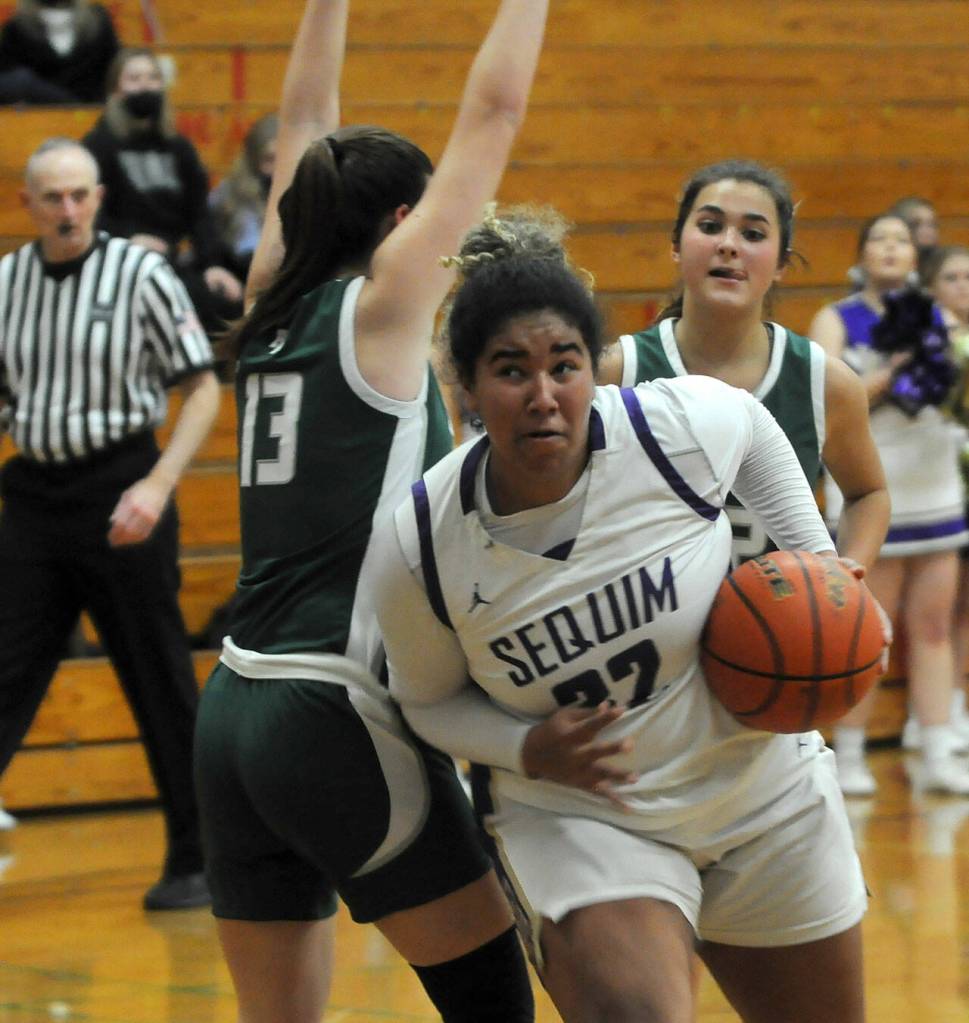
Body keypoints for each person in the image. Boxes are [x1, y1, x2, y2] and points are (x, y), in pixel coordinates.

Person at [374, 236, 883, 1023]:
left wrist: (818, 568)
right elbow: (425, 702)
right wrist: (523, 748)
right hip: (587, 816)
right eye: (511, 369)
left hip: (758, 786)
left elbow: (748, 425)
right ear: (469, 385)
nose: (542, 392)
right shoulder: (418, 542)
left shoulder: (673, 428)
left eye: (564, 365)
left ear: (593, 369)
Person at [191, 0, 547, 1020]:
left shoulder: (270, 297)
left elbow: (302, 123)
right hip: (330, 705)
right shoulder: (385, 310)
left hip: (233, 708)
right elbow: (494, 114)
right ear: (402, 229)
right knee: (495, 1009)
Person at [0, 137, 221, 909]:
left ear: (99, 197)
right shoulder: (6, 284)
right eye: (52, 198)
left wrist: (158, 485)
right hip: (33, 495)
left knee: (157, 678)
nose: (68, 210)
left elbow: (201, 388)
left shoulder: (141, 275)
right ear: (26, 203)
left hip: (123, 486)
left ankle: (200, 858)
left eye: (80, 195)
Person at [598, 159, 887, 574]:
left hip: (779, 630)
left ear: (782, 263)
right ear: (676, 245)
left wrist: (846, 579)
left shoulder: (824, 382)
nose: (729, 244)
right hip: (653, 632)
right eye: (711, 226)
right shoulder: (617, 371)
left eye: (753, 234)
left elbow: (869, 492)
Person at [810, 214, 969, 796]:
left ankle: (937, 750)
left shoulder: (941, 318)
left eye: (902, 240)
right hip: (869, 488)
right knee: (866, 632)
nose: (892, 248)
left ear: (914, 257)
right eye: (879, 238)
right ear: (861, 254)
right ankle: (847, 754)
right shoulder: (835, 318)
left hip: (934, 486)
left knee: (931, 628)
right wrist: (894, 369)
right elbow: (830, 398)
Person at [82, 48, 244, 335]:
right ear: (115, 89)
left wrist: (212, 264)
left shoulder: (179, 148)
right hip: (116, 260)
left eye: (153, 78)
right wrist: (128, 237)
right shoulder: (98, 145)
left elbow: (199, 213)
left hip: (170, 261)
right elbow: (88, 214)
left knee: (223, 301)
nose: (145, 86)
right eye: (134, 79)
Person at [907, 244, 969, 753]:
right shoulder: (932, 336)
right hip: (943, 481)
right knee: (936, 611)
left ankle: (955, 708)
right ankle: (926, 718)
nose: (963, 286)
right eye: (952, 277)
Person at [0, 0, 118, 106]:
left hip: (94, 109)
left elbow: (114, 67)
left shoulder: (98, 21)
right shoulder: (16, 29)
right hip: (38, 114)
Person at [209, 113, 279, 283]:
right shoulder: (231, 190)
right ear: (254, 158)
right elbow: (245, 248)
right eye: (269, 159)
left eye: (283, 158)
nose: (277, 168)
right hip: (237, 274)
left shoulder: (304, 191)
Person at [888, 195, 941, 281]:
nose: (928, 230)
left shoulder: (943, 268)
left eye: (932, 224)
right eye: (916, 224)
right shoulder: (886, 270)